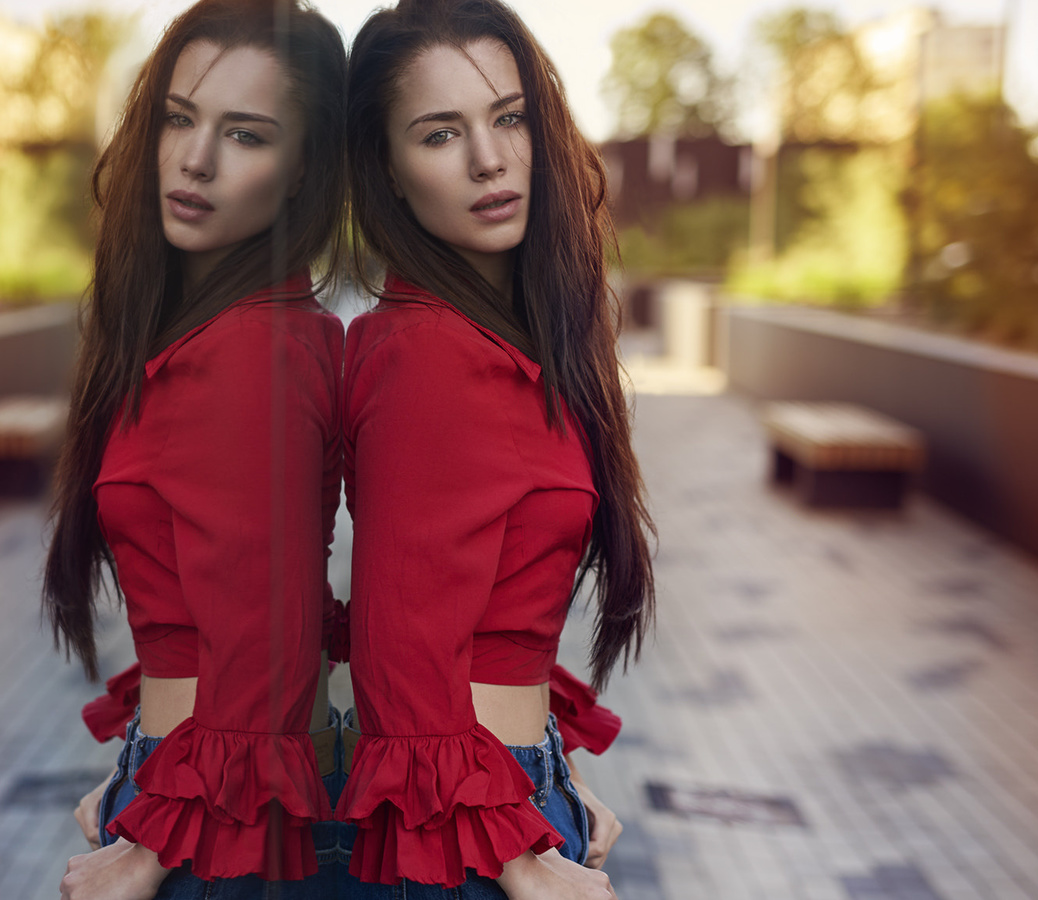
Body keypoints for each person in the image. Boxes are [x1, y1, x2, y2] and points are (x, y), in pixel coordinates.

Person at [335, 0, 656, 896]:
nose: (489, 158)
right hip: (467, 839)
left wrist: (559, 770)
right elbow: (400, 644)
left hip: (501, 801)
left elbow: (490, 618)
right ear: (388, 169)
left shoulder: (504, 342)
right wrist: (518, 860)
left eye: (509, 117)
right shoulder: (429, 354)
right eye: (440, 134)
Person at [39, 0, 349, 897]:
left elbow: (271, 638)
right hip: (197, 794)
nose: (195, 158)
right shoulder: (213, 334)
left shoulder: (252, 351)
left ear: (302, 169)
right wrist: (145, 769)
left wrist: (153, 843)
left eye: (246, 135)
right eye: (179, 118)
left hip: (215, 827)